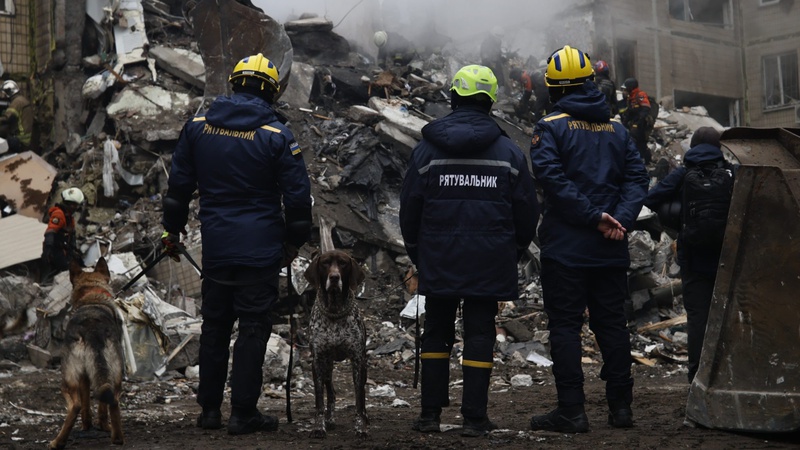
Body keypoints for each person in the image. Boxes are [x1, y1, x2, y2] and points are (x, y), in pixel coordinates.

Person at [161, 53, 312, 436]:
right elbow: (297, 201)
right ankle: (243, 413)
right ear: (271, 92)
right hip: (260, 250)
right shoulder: (277, 135)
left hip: (216, 247)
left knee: (215, 325)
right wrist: (294, 244)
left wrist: (172, 232)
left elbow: (178, 189)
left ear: (234, 83)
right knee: (253, 326)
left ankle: (210, 410)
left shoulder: (198, 127)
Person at [400, 64, 539, 437]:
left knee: (437, 331)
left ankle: (430, 415)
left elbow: (409, 207)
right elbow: (527, 211)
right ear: (490, 102)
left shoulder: (426, 150)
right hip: (490, 258)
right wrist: (512, 251)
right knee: (479, 334)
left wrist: (418, 253)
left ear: (453, 97)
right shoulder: (510, 152)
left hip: (439, 256)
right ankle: (475, 418)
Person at [528, 45, 649, 433]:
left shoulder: (550, 127)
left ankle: (572, 411)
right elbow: (637, 178)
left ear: (555, 88)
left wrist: (594, 218)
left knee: (565, 327)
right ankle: (621, 409)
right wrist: (620, 220)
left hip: (566, 249)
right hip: (610, 248)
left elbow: (552, 180)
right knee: (612, 325)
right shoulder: (616, 128)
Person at [643, 127, 733, 383]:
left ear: (693, 147)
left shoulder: (683, 174)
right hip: (728, 258)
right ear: (719, 147)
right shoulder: (732, 173)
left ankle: (697, 378)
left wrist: (676, 211)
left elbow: (650, 199)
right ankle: (727, 376)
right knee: (728, 317)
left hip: (693, 259)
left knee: (698, 319)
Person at [41, 187, 85, 282]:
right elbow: (50, 232)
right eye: (75, 205)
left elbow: (71, 234)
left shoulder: (69, 217)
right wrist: (48, 250)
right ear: (71, 205)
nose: (76, 208)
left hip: (64, 250)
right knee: (63, 270)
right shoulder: (59, 214)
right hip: (55, 250)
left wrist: (74, 250)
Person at [620, 77, 653, 165]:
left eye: (625, 89)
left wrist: (638, 123)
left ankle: (637, 160)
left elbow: (646, 108)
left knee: (634, 139)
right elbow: (629, 113)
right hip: (634, 123)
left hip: (642, 123)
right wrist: (623, 124)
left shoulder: (640, 95)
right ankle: (647, 159)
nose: (624, 91)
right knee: (640, 143)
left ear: (630, 88)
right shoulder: (630, 98)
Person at [0, 80, 33, 154]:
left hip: (19, 140)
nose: (4, 96)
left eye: (5, 94)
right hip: (26, 141)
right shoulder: (22, 99)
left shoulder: (16, 102)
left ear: (9, 92)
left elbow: (7, 119)